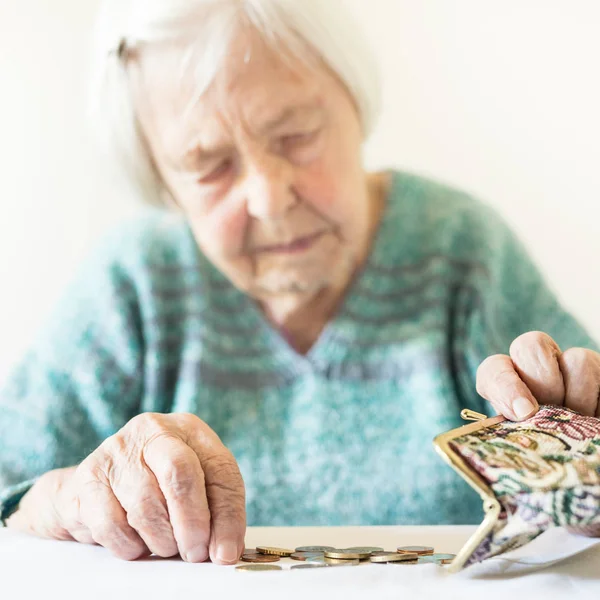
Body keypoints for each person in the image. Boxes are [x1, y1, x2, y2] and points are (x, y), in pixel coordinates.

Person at [1, 0, 598, 567]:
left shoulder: (464, 248)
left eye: (295, 136)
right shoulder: (131, 283)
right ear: (163, 184)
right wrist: (64, 500)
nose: (269, 197)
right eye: (209, 166)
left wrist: (581, 452)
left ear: (355, 103)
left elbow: (583, 419)